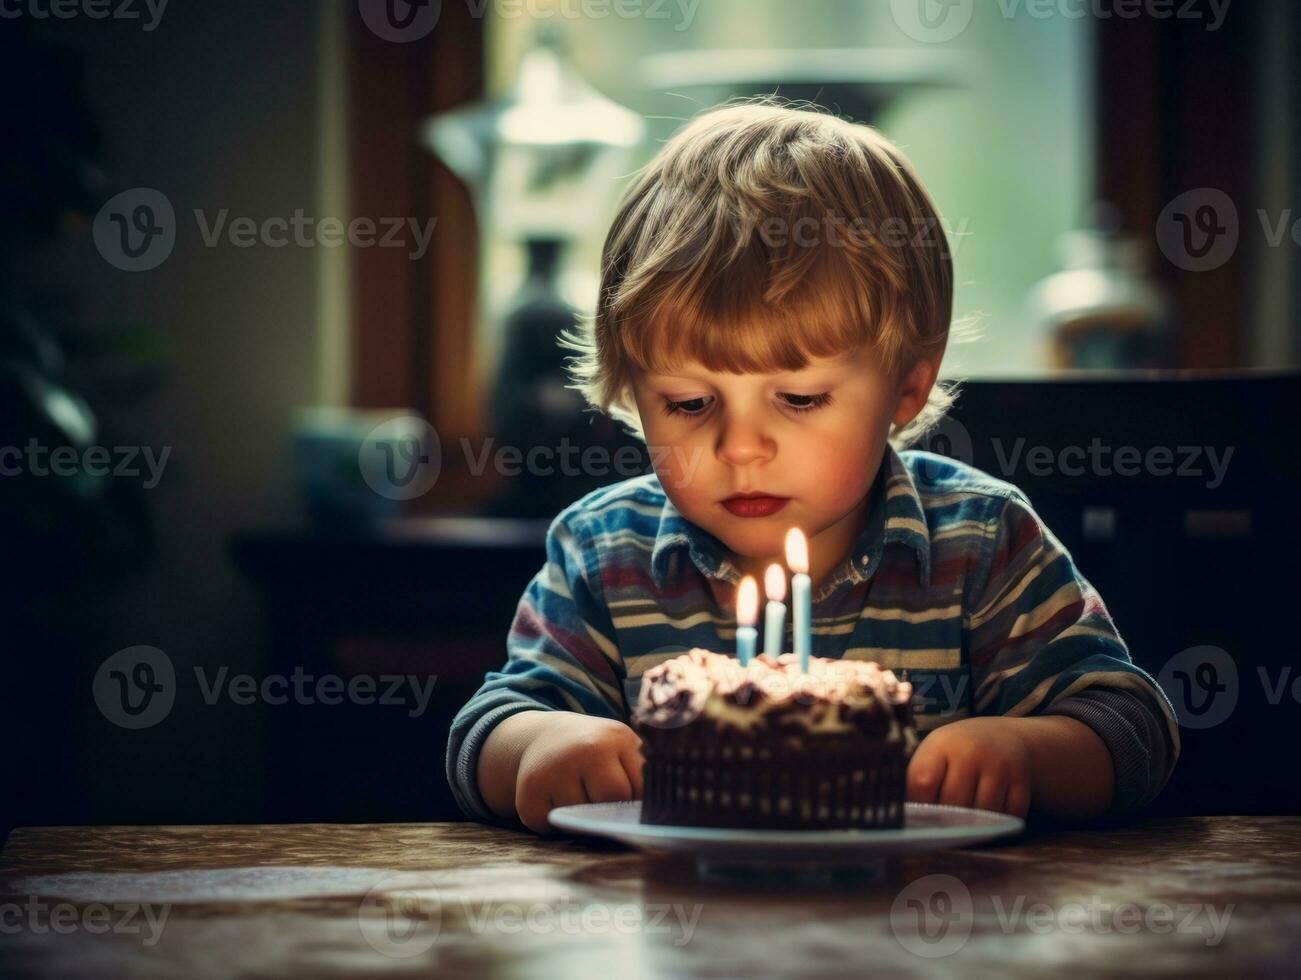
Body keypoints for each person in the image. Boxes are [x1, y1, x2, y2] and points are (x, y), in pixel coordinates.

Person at [446, 100, 1179, 835]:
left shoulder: (981, 540)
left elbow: (1131, 726)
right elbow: (490, 726)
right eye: (690, 403)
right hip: (676, 928)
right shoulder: (605, 553)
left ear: (905, 389)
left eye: (797, 398)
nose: (740, 447)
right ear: (630, 397)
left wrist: (1023, 751)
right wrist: (541, 744)